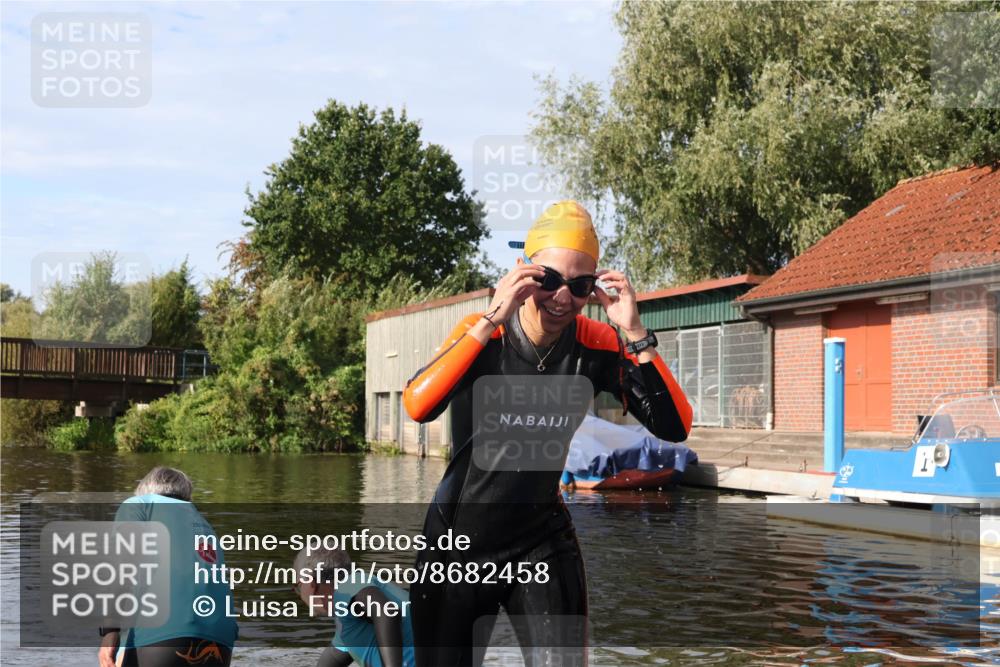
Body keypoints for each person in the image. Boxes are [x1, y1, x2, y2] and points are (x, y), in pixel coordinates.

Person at [402, 200, 693, 667]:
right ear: (525, 273)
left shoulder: (596, 343)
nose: (562, 298)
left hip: (540, 538)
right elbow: (418, 404)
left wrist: (634, 331)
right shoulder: (484, 335)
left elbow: (675, 427)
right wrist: (492, 317)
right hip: (457, 542)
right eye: (550, 280)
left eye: (579, 287)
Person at [98, 466, 238, 667]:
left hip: (165, 634)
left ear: (145, 489)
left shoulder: (139, 505)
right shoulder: (204, 524)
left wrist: (110, 631)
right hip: (220, 640)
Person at [293, 546, 415, 667]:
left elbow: (387, 612)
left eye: (298, 587)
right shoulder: (346, 626)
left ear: (310, 583)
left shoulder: (349, 585)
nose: (299, 594)